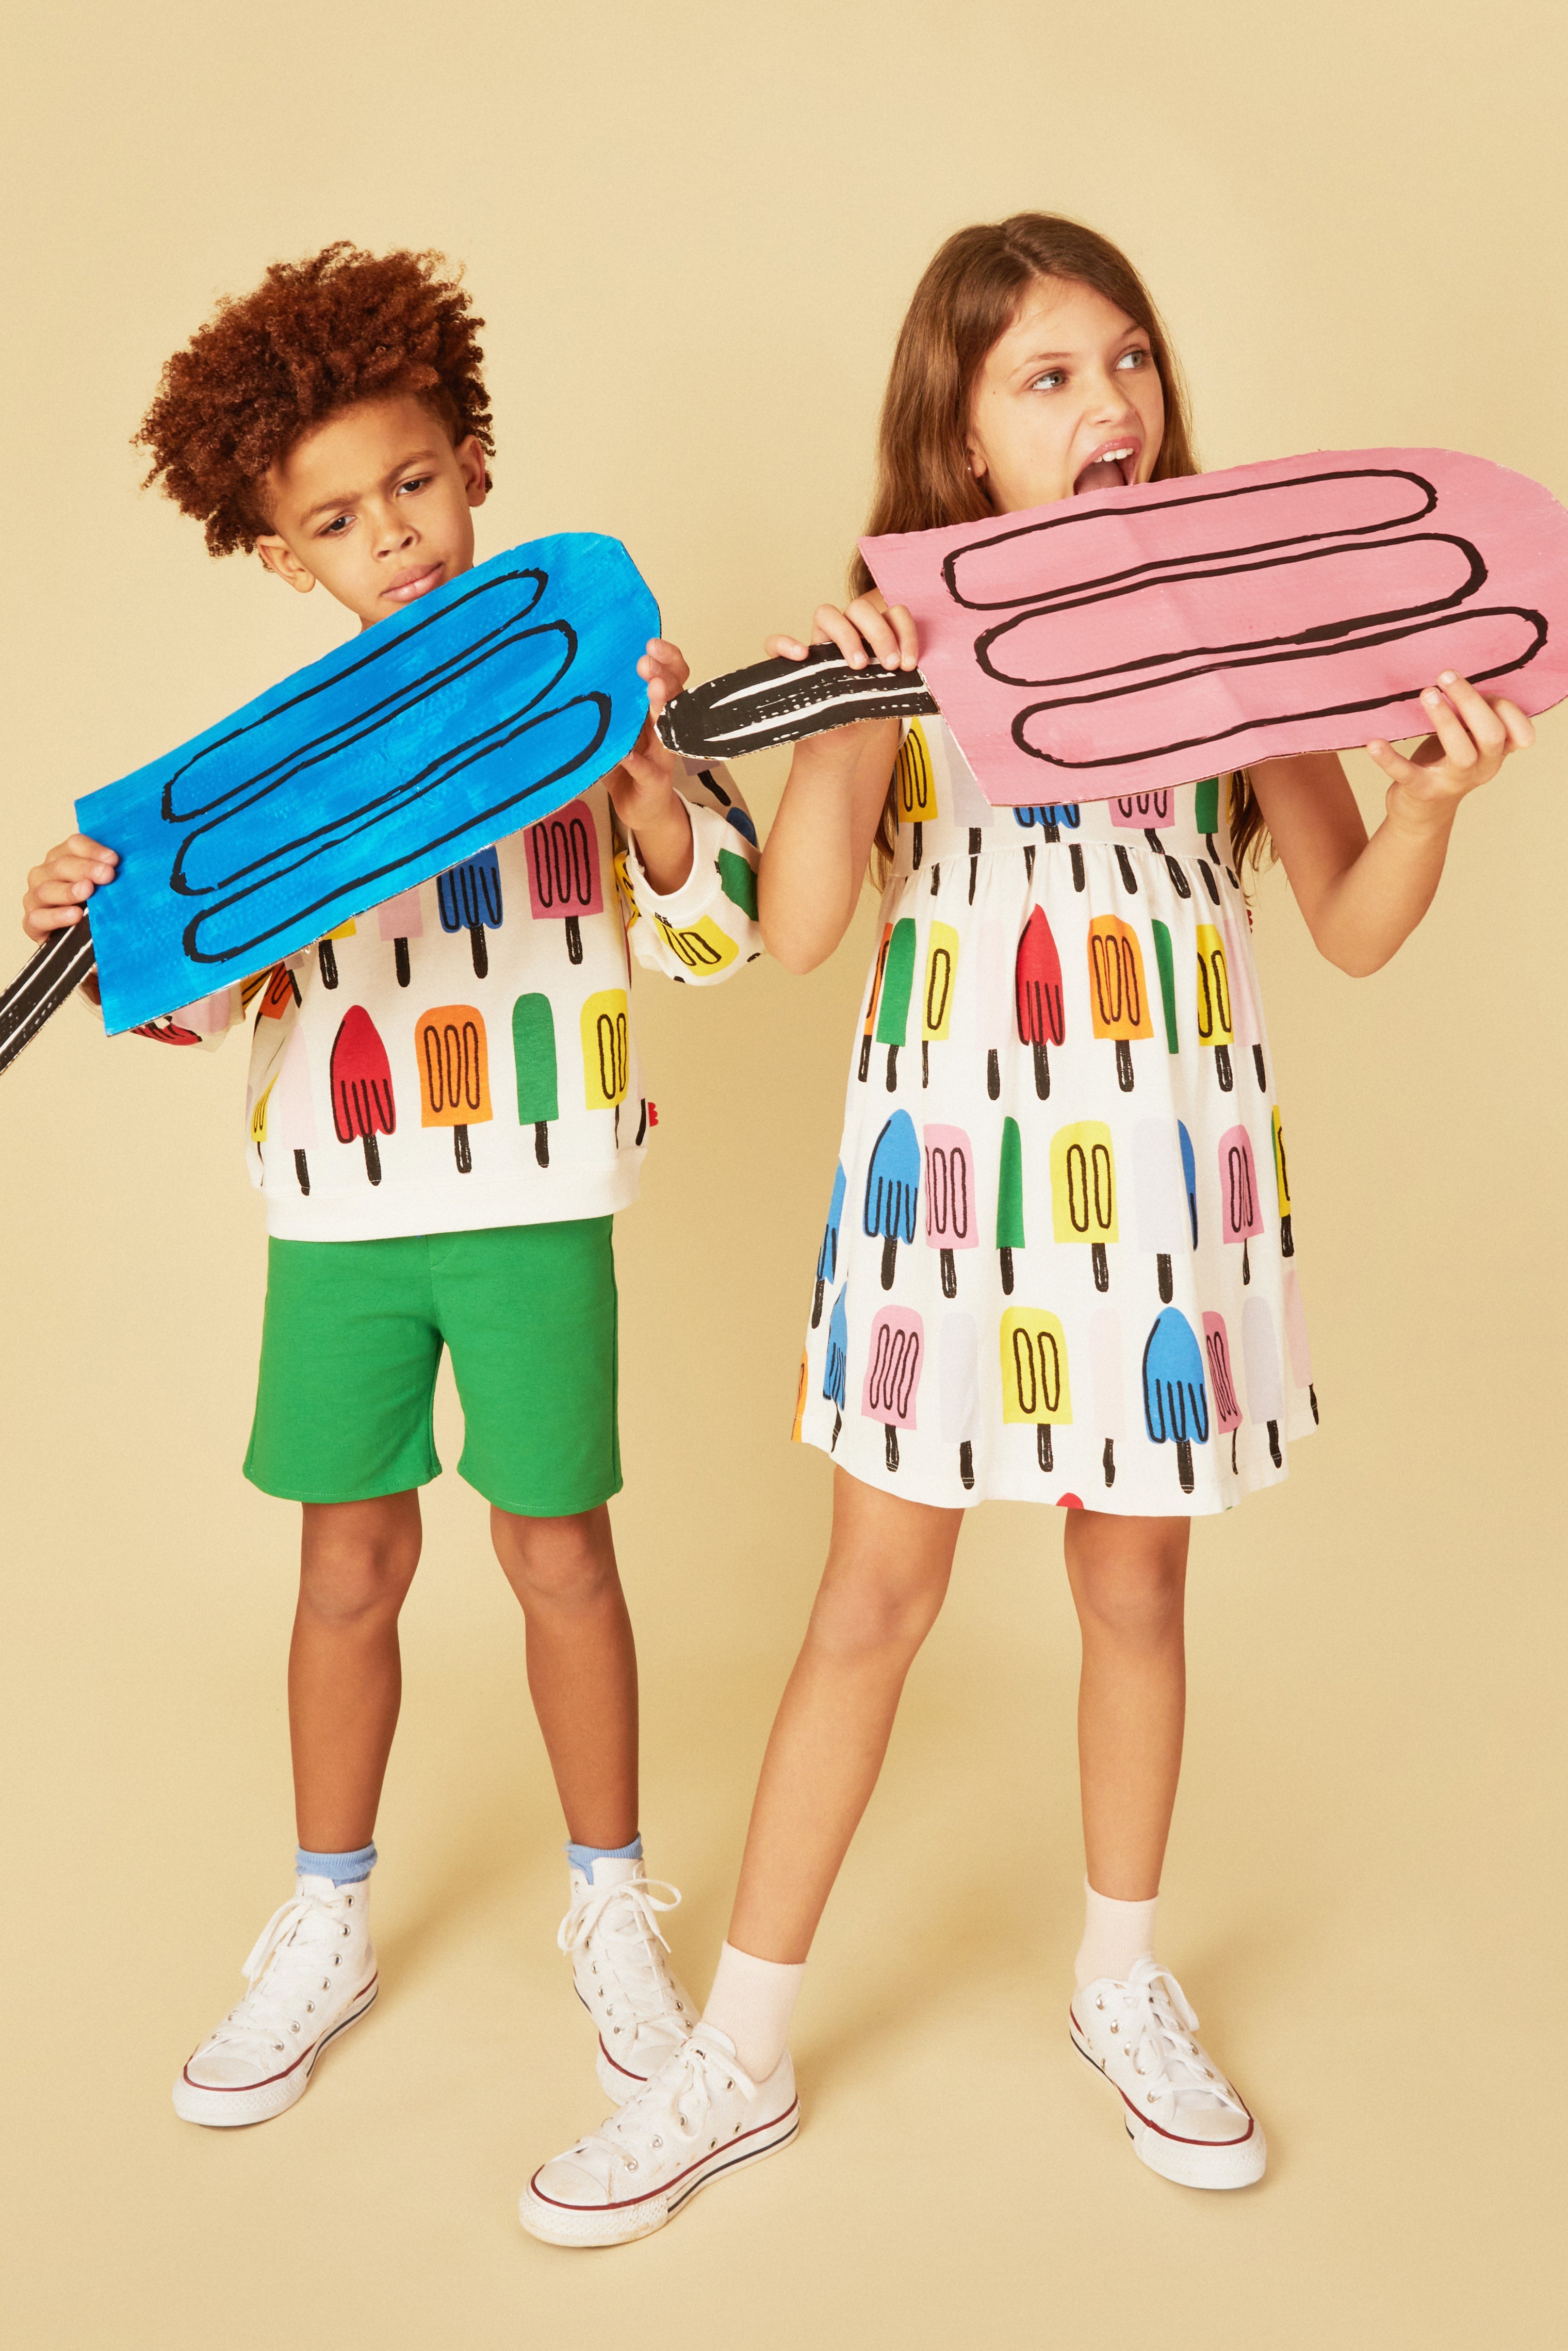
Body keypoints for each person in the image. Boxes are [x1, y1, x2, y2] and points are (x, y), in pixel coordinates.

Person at [520, 210, 1532, 2244]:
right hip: (947, 1198)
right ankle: (739, 2052)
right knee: (869, 1605)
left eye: (1128, 358)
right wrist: (841, 724)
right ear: (959, 437)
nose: (1109, 400)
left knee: (1135, 1593)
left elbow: (1346, 926)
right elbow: (803, 933)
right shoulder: (892, 657)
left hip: (1159, 1193)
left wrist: (1423, 806)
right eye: (1049, 376)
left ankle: (1118, 1979)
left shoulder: (1241, 645)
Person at [20, 242, 762, 2129]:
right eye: (338, 521)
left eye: (416, 483)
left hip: (539, 1195)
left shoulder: (584, 694)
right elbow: (198, 1003)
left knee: (558, 1553)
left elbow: (718, 942)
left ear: (474, 464)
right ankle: (328, 1916)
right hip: (338, 1218)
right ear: (285, 558)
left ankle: (612, 1905)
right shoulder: (276, 786)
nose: (396, 537)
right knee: (345, 1563)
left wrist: (650, 783)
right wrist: (99, 922)